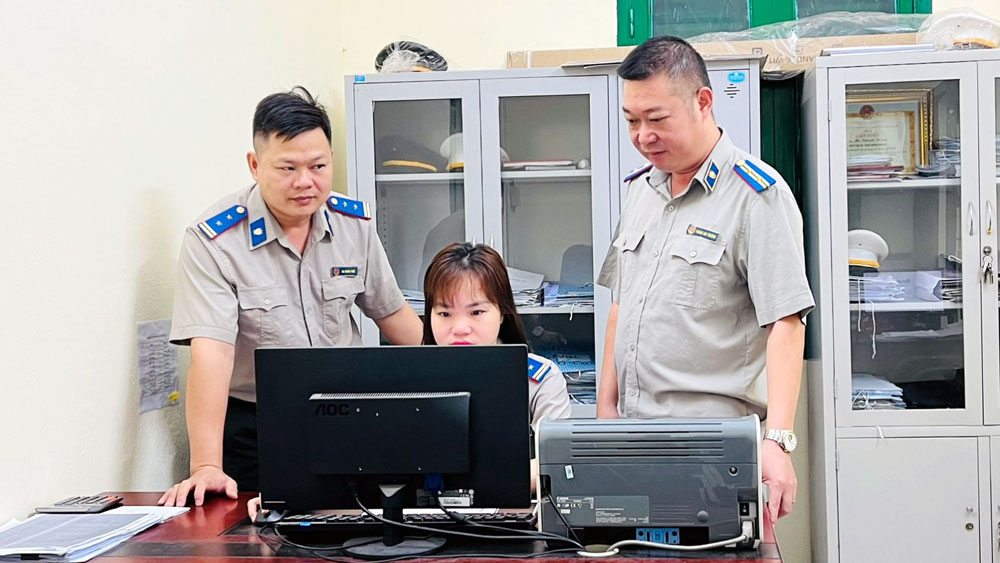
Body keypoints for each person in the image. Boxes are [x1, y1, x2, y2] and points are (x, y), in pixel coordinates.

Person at [158, 87, 423, 507]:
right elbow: (212, 356)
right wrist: (205, 465)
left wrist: (470, 382)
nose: (305, 182)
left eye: (318, 166)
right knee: (257, 534)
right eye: (287, 168)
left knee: (365, 523)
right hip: (258, 426)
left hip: (348, 413)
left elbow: (397, 319)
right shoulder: (215, 242)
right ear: (254, 164)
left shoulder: (353, 225)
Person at [595, 37, 814, 522]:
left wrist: (778, 441)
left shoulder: (757, 196)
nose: (643, 136)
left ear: (703, 102)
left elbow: (787, 322)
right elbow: (621, 304)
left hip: (714, 447)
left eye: (657, 119)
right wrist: (605, 411)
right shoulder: (641, 191)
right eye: (631, 120)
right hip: (633, 439)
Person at [247, 242, 570, 520]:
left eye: (476, 312)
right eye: (444, 314)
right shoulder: (403, 374)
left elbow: (558, 464)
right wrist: (288, 492)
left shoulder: (539, 378)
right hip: (406, 520)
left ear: (502, 313)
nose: (459, 328)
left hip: (505, 521)